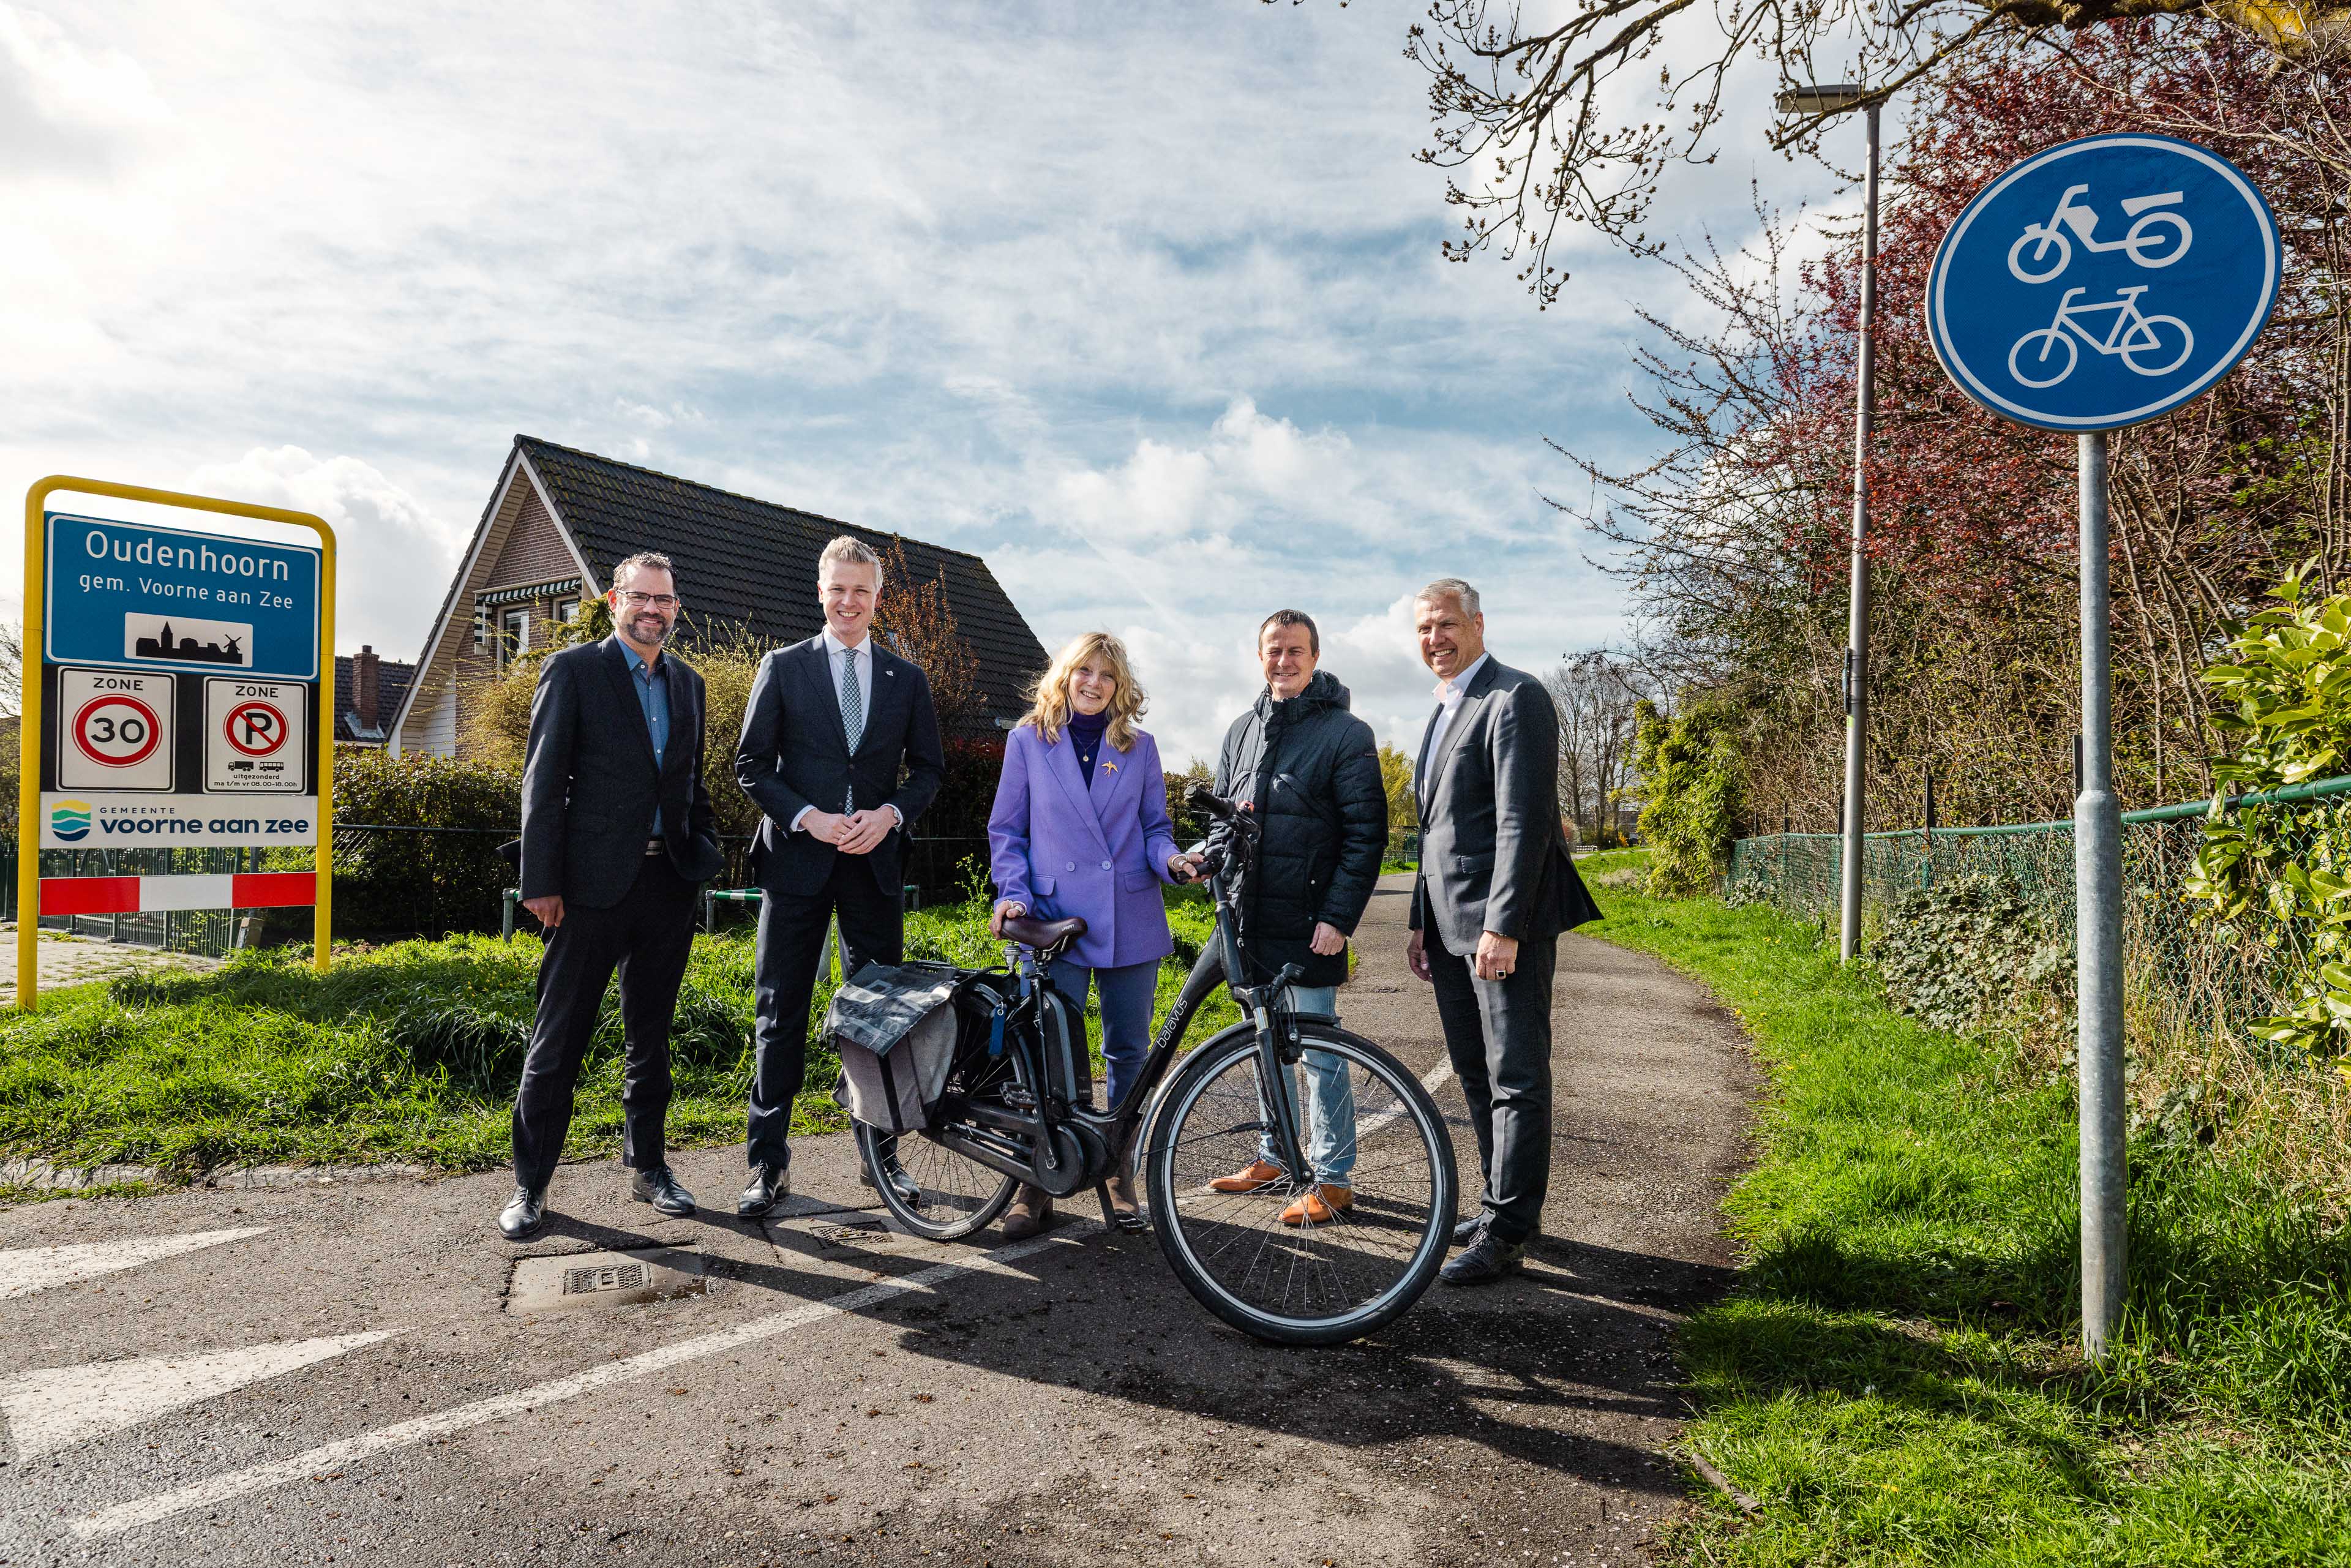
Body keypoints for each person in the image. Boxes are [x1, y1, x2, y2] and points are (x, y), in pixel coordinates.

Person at [501, 552, 729, 1241]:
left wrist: (703, 853)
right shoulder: (574, 670)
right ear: (613, 599)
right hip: (588, 890)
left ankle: (650, 1165)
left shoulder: (688, 684)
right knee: (558, 1039)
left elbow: (690, 784)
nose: (652, 609)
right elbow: (543, 780)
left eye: (664, 600)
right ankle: (531, 1184)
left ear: (676, 608)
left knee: (651, 1038)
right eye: (641, 597)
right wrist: (540, 881)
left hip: (667, 886)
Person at [733, 536, 945, 1217]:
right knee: (780, 1011)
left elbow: (931, 771)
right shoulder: (783, 666)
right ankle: (767, 1164)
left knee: (880, 1018)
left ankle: (881, 1162)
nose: (849, 601)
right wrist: (807, 818)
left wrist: (889, 814)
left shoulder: (905, 680)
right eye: (838, 589)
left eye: (862, 590)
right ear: (820, 592)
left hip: (872, 869)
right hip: (797, 864)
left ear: (878, 598)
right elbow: (752, 765)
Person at [1405, 577, 1602, 1285]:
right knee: (1472, 1072)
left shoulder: (1515, 697)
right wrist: (1420, 922)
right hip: (1450, 928)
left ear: (1478, 623)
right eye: (1425, 629)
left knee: (1515, 1076)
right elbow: (1437, 832)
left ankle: (1509, 1230)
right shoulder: (1444, 709)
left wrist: (1505, 925)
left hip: (1498, 928)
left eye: (1447, 624)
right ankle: (1501, 1205)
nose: (1436, 638)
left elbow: (1525, 820)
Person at [986, 631, 1193, 1238]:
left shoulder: (1140, 745)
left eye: (1107, 674)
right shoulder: (1027, 739)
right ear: (1065, 675)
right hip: (1053, 914)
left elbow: (1155, 827)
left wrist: (1172, 860)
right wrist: (1014, 891)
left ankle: (1116, 1167)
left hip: (1129, 911)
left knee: (1129, 1049)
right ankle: (1037, 1176)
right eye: (1084, 671)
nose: (1094, 682)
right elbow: (1008, 829)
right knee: (1049, 1052)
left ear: (1119, 684)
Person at [1200, 610, 1387, 1226]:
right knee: (1265, 1048)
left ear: (1315, 656)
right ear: (1260, 655)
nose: (1284, 661)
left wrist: (1340, 916)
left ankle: (1333, 1179)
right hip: (1250, 921)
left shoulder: (1346, 732)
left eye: (1295, 651)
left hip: (1311, 922)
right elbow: (1222, 818)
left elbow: (1367, 834)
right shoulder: (1240, 730)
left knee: (1319, 1052)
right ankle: (1275, 1155)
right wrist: (1214, 857)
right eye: (1274, 650)